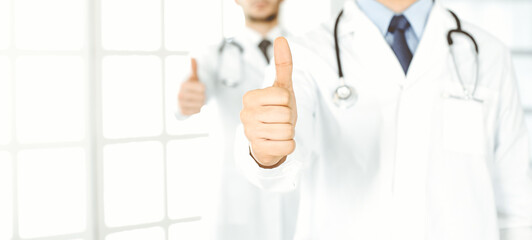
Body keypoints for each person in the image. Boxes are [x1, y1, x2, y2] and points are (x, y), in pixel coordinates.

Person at [236, 0, 532, 239]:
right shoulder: (304, 56)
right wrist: (266, 153)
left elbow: (517, 202)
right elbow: (277, 163)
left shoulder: (488, 54)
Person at [175, 0, 298, 239]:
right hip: (237, 194)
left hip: (293, 191)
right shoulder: (211, 54)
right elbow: (187, 96)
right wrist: (186, 102)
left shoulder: (307, 51)